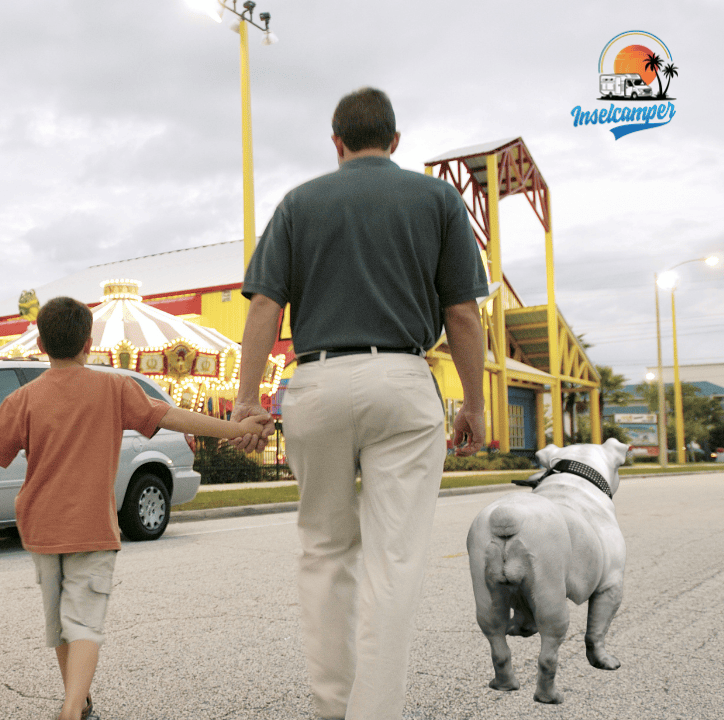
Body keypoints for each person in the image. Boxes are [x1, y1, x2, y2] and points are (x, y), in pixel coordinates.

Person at [231, 87, 488, 720]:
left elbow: (265, 305)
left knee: (323, 550)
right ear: (395, 142)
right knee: (393, 559)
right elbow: (461, 311)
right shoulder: (437, 200)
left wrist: (244, 400)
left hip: (315, 382)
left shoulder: (299, 202)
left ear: (336, 142)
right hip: (401, 379)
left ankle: (330, 709)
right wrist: (474, 405)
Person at [0, 296, 274, 720]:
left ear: (42, 345)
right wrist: (236, 428)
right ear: (88, 341)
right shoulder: (114, 388)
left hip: (41, 529)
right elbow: (173, 417)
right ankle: (70, 710)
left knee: (63, 625)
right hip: (91, 527)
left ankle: (78, 704)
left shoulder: (22, 400)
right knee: (84, 622)